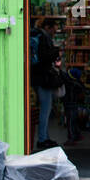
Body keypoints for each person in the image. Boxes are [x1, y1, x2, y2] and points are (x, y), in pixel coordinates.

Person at [30, 18, 64, 149]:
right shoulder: (43, 37)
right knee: (45, 109)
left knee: (44, 108)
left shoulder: (36, 35)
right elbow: (44, 57)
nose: (55, 31)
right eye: (54, 28)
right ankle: (43, 139)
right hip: (43, 78)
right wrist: (56, 51)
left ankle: (44, 137)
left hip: (36, 77)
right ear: (48, 27)